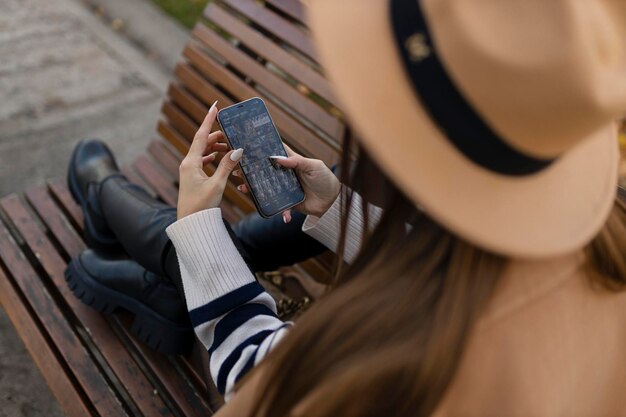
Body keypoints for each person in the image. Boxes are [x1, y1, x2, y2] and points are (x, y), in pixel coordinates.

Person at [66, 0, 626, 415]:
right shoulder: (604, 274)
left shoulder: (397, 363)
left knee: (186, 236)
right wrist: (336, 209)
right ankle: (126, 222)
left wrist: (199, 237)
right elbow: (448, 267)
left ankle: (111, 206)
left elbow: (258, 378)